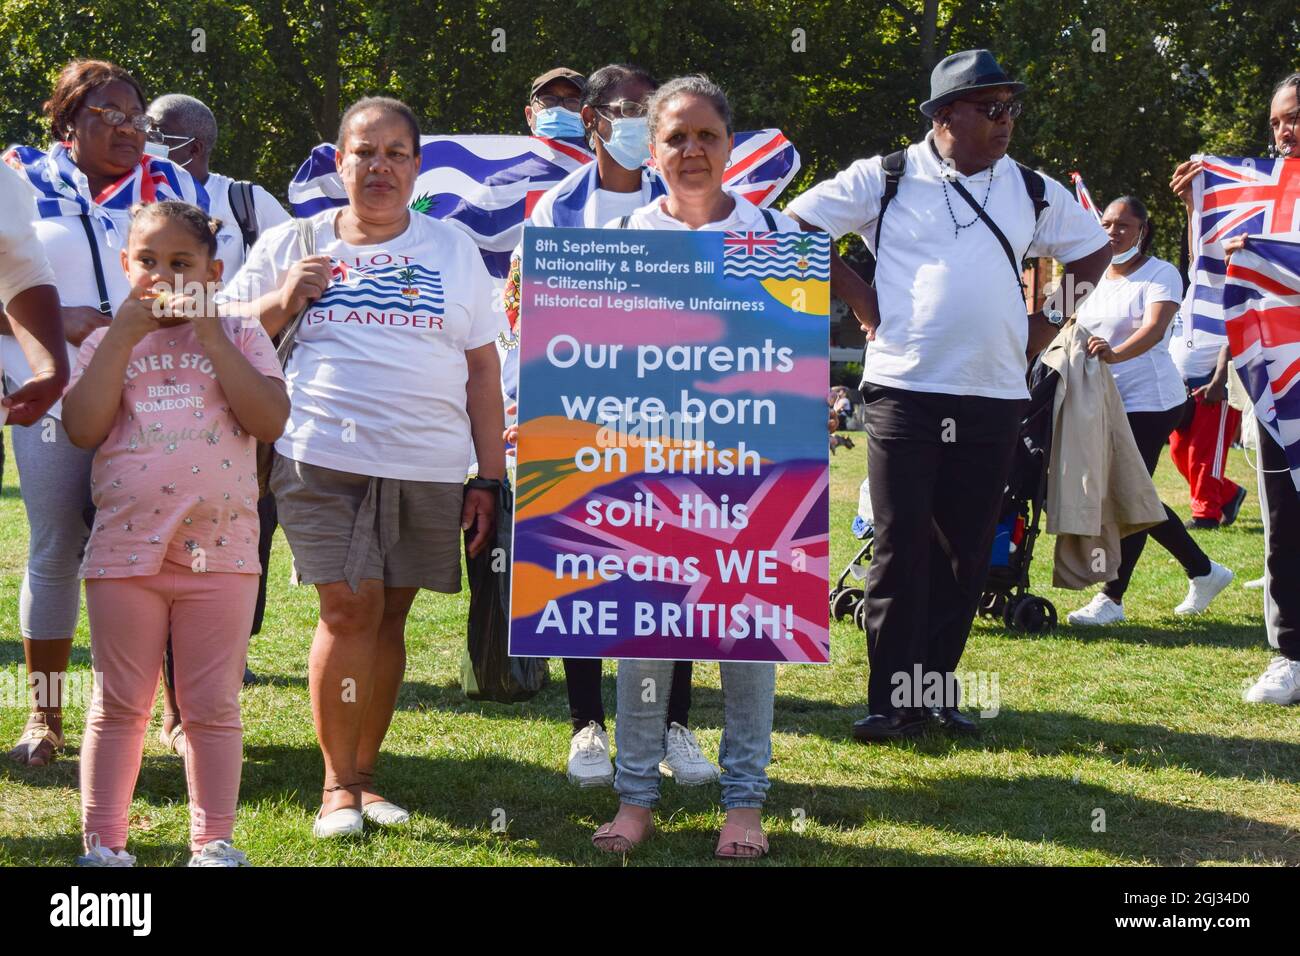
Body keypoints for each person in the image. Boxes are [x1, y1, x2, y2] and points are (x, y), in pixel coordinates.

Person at [786, 49, 1111, 741]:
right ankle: (887, 700)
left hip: (993, 394)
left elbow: (1091, 252)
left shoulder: (1031, 187)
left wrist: (1049, 321)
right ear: (944, 115)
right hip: (905, 388)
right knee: (901, 545)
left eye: (1011, 108)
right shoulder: (889, 176)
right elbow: (799, 224)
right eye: (991, 109)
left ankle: (933, 690)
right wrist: (860, 299)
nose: (1006, 123)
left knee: (967, 552)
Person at [221, 96, 505, 836]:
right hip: (321, 456)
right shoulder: (295, 239)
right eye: (363, 152)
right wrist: (286, 297)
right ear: (338, 162)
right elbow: (223, 332)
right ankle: (336, 788)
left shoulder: (452, 249)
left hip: (429, 462)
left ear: (416, 165)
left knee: (389, 616)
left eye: (395, 154)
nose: (378, 166)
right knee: (348, 607)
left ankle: (368, 777)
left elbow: (481, 369)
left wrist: (489, 474)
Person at [589, 75, 795, 859]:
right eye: (676, 136)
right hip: (648, 470)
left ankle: (745, 801)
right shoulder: (621, 244)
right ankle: (635, 796)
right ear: (653, 147)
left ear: (731, 145)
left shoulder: (777, 237)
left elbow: (790, 361)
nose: (692, 150)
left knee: (748, 639)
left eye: (707, 135)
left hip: (753, 472)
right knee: (645, 639)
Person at [505, 63, 716, 789]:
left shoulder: (690, 203)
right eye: (624, 108)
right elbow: (522, 315)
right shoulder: (553, 212)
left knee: (672, 573)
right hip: (578, 416)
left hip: (672, 415)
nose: (636, 119)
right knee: (581, 569)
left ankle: (675, 725)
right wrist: (519, 407)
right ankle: (587, 725)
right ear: (592, 119)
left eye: (646, 108)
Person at [62, 201, 288, 866]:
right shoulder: (105, 342)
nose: (163, 277)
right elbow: (81, 427)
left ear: (213, 274)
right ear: (127, 268)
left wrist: (214, 336)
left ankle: (213, 842)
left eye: (181, 264)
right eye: (148, 262)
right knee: (119, 705)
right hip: (124, 556)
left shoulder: (242, 335)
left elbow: (270, 419)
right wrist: (123, 339)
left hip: (219, 555)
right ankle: (104, 846)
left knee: (211, 706)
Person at [2, 59, 206, 767]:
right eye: (109, 113)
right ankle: (44, 717)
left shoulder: (172, 183)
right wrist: (61, 323)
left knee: (176, 548)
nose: (128, 128)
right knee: (57, 548)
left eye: (136, 116)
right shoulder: (19, 179)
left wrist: (157, 317)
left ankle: (179, 715)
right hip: (53, 395)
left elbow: (213, 277)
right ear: (66, 120)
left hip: (162, 397)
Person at [145, 92, 291, 747]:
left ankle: (224, 665)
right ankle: (176, 706)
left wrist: (225, 322)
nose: (140, 141)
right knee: (170, 542)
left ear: (193, 146)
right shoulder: (133, 201)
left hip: (244, 404)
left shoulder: (248, 206)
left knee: (244, 540)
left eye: (155, 134)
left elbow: (301, 289)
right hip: (159, 403)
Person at [1172, 72, 1300, 703]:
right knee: (1286, 522)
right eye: (1277, 120)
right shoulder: (1260, 195)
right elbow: (1227, 284)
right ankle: (1290, 654)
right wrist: (1208, 195)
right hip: (1278, 386)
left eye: (1296, 116)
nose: (1285, 130)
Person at [1066, 197, 1233, 625]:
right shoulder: (1090, 273)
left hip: (1152, 402)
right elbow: (1056, 316)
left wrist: (1115, 354)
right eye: (1106, 223)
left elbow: (1154, 329)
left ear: (1143, 229)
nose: (1112, 232)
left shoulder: (1162, 273)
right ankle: (1204, 570)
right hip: (1101, 399)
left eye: (1124, 225)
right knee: (1130, 494)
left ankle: (1112, 599)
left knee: (1127, 494)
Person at [524, 67, 586, 138]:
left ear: (588, 116)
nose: (560, 108)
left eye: (572, 101)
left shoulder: (600, 149)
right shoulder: (511, 148)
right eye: (549, 99)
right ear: (529, 115)